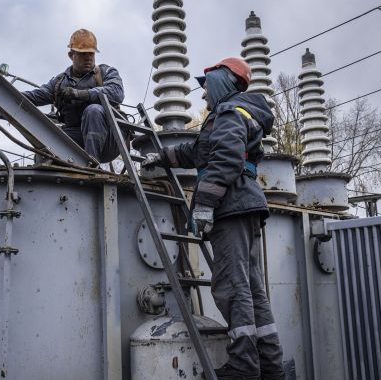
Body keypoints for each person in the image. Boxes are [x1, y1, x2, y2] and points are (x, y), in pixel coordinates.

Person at [142, 57, 285, 380]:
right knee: (251, 287)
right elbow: (198, 151)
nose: (203, 96)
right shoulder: (234, 115)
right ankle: (270, 365)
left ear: (222, 81)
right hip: (245, 204)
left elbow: (225, 158)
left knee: (232, 287)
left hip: (231, 207)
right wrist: (162, 158)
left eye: (207, 89)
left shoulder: (229, 113)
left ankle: (244, 366)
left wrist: (204, 204)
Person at [21, 29, 124, 163]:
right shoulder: (59, 82)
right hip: (78, 135)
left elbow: (117, 92)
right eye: (83, 54)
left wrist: (81, 94)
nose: (88, 58)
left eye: (91, 53)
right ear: (71, 55)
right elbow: (36, 96)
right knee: (46, 148)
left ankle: (92, 166)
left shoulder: (105, 72)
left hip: (110, 138)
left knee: (93, 110)